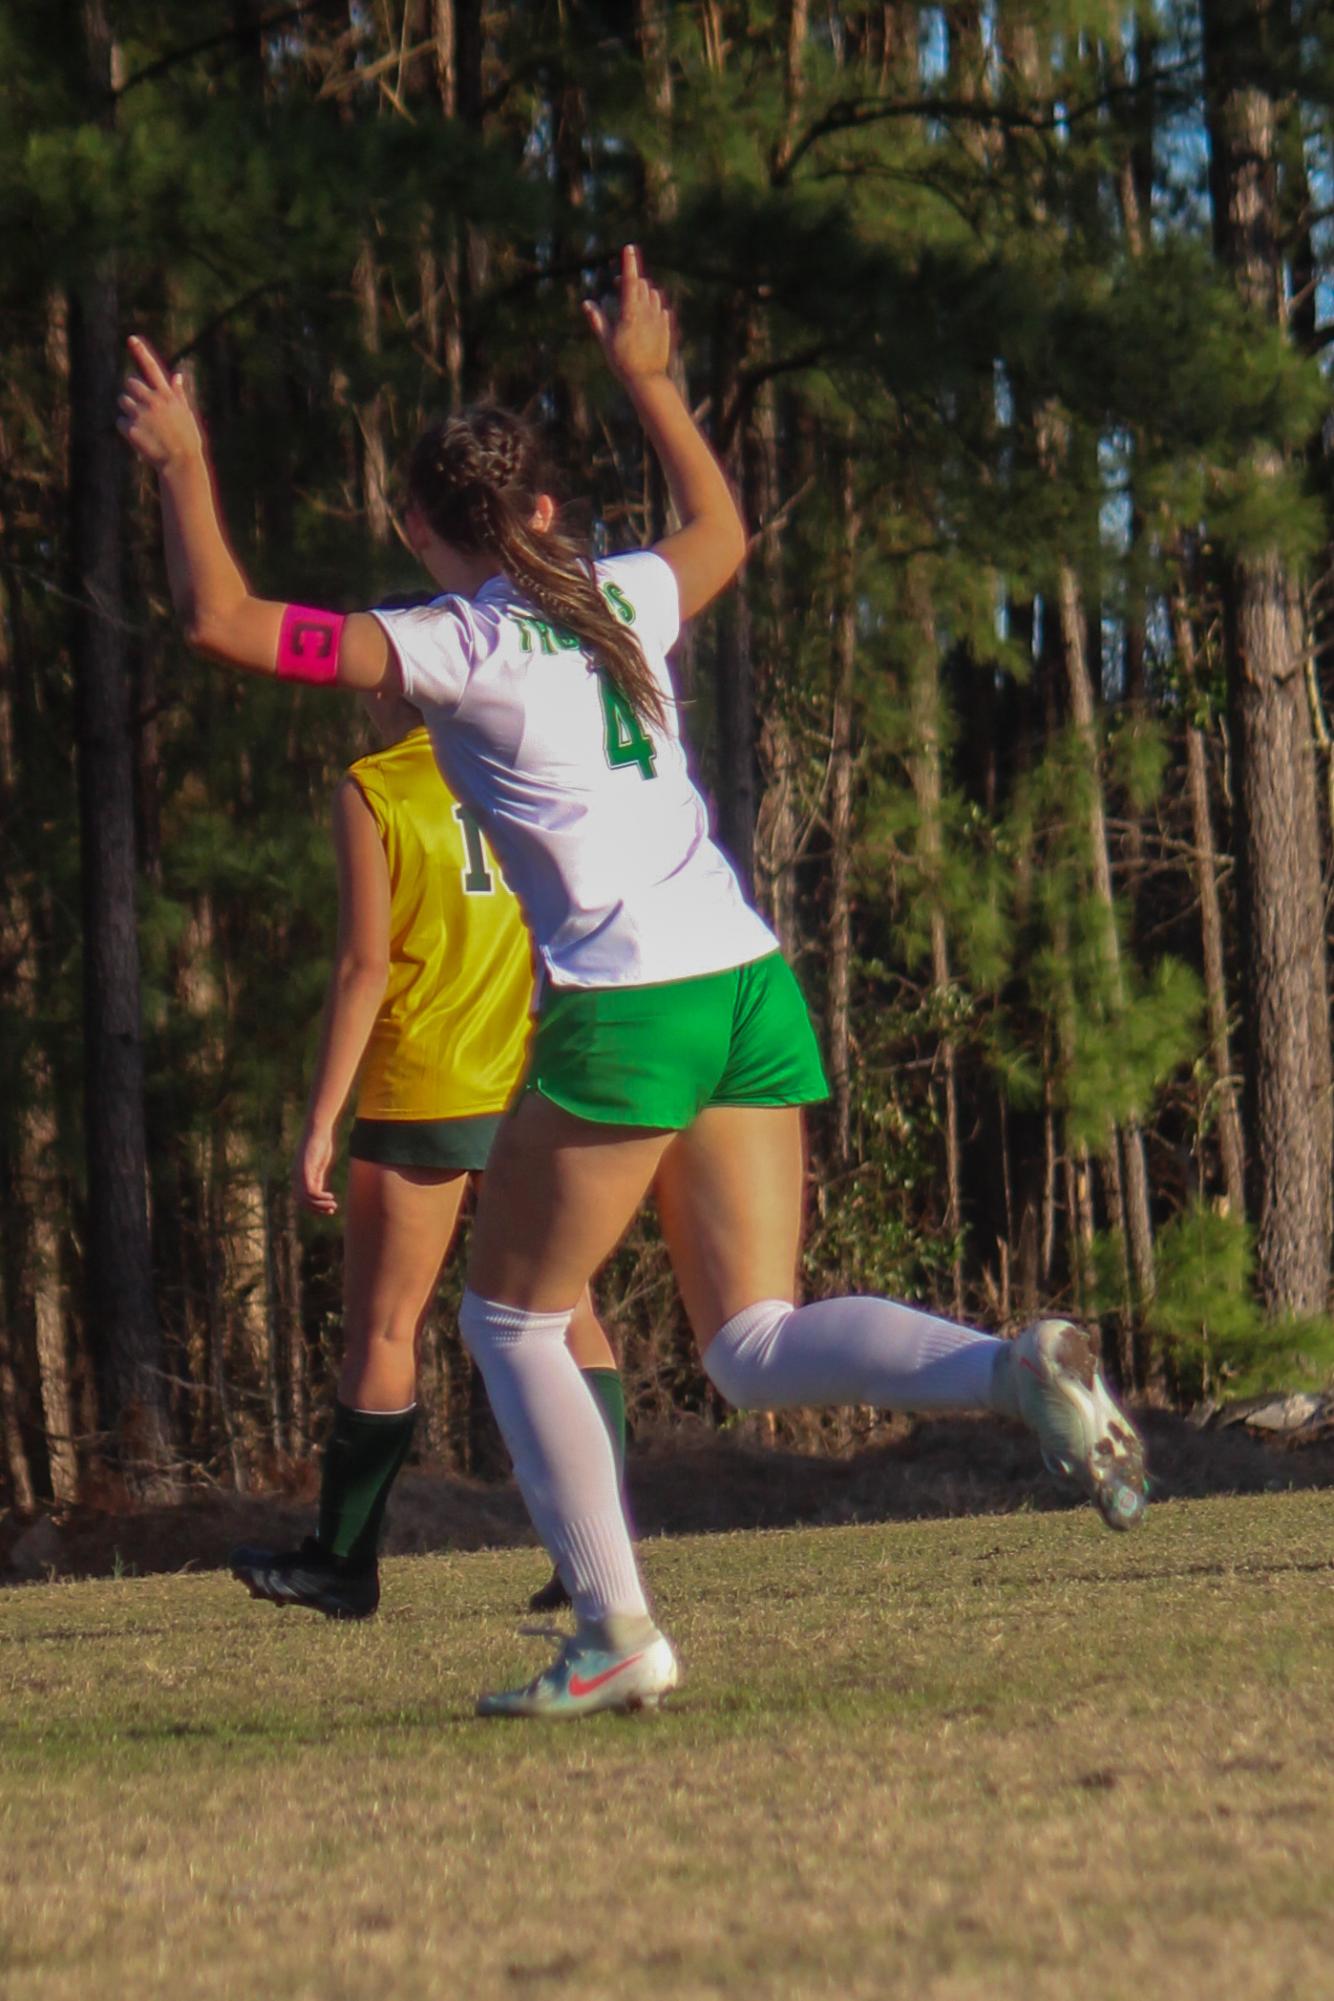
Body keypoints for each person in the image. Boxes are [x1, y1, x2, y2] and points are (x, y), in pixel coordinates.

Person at [119, 245, 1147, 1721]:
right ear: (542, 507)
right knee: (751, 1339)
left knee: (509, 1321)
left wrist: (185, 462)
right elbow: (721, 521)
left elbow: (225, 622)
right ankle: (1008, 1367)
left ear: (419, 526)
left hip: (629, 1005)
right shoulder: (622, 596)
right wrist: (651, 384)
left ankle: (612, 1629)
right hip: (744, 976)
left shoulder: (450, 642)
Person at [229, 685, 626, 1620]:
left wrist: (323, 1115)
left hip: (426, 1082)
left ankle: (343, 1561)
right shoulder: (520, 764)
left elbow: (366, 964)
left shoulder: (376, 788)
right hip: (534, 1072)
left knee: (385, 1326)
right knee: (567, 1310)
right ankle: (595, 1552)